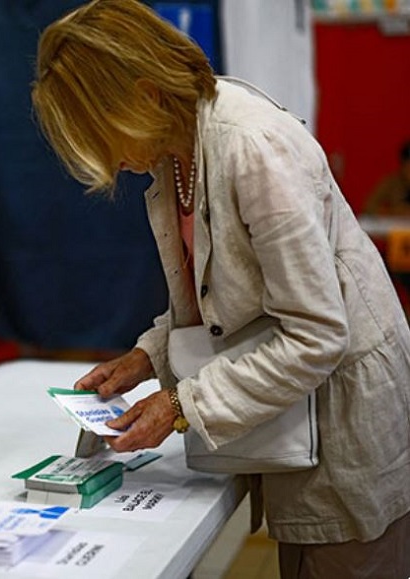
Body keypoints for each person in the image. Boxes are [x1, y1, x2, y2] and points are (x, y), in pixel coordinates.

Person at [31, 1, 410, 577]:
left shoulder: (252, 148)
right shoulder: (173, 153)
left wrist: (182, 405)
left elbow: (316, 334)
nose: (108, 156)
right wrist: (145, 358)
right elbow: (221, 299)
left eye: (100, 132)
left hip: (344, 418)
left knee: (336, 557)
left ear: (144, 92)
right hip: (296, 411)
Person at [363, 140, 410, 216]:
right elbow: (369, 207)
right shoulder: (392, 183)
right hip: (397, 226)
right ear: (403, 166)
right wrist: (393, 212)